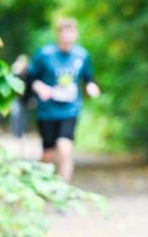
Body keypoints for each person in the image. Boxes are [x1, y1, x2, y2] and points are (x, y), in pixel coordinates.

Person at [27, 18, 100, 182]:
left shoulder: (82, 55)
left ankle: (62, 191)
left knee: (65, 148)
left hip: (70, 109)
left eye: (71, 32)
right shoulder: (44, 54)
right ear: (58, 35)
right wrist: (40, 87)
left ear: (76, 34)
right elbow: (31, 79)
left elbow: (89, 78)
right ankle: (43, 185)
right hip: (47, 111)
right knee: (48, 154)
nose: (67, 37)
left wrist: (91, 86)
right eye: (64, 33)